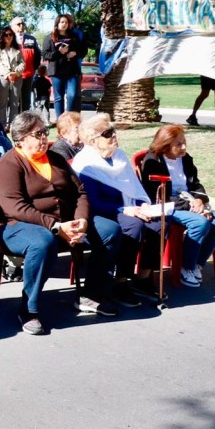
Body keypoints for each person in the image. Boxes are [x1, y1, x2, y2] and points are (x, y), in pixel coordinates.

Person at [0, 111, 120, 335]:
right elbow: (16, 208)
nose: (44, 138)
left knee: (110, 231)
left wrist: (82, 221)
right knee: (42, 241)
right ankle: (29, 309)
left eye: (45, 132)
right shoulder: (7, 166)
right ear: (21, 138)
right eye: (38, 133)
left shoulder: (55, 159)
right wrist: (57, 227)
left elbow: (80, 192)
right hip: (17, 227)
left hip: (66, 221)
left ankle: (91, 294)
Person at [71, 114, 157, 307]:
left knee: (157, 223)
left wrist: (141, 204)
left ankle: (142, 280)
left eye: (113, 130)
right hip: (102, 211)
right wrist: (125, 209)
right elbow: (92, 202)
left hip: (127, 207)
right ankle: (119, 282)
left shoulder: (119, 156)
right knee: (133, 226)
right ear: (93, 141)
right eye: (108, 133)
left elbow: (133, 187)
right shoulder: (85, 164)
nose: (114, 135)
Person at [140, 124, 215, 288]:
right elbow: (160, 195)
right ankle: (185, 267)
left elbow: (195, 184)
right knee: (199, 223)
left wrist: (200, 200)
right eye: (178, 144)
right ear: (165, 145)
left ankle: (196, 263)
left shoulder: (186, 159)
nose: (184, 147)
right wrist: (191, 207)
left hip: (189, 202)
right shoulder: (153, 161)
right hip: (167, 205)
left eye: (184, 142)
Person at [42, 13, 87, 117]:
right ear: (57, 23)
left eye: (66, 22)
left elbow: (84, 50)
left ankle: (69, 119)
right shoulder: (50, 37)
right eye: (62, 22)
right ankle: (60, 120)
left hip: (72, 71)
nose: (64, 24)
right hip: (56, 72)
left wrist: (76, 53)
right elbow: (45, 54)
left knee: (72, 95)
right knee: (59, 97)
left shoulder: (74, 37)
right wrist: (59, 52)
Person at [0, 26, 25, 126]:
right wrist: (8, 74)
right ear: (2, 36)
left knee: (14, 102)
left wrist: (16, 73)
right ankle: (2, 124)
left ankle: (13, 124)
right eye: (6, 35)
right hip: (3, 77)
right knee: (3, 102)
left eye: (10, 34)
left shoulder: (18, 48)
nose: (8, 37)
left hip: (17, 77)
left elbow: (23, 63)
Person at [11, 17, 42, 111]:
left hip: (28, 73)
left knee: (26, 98)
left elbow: (37, 54)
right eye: (18, 24)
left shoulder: (31, 39)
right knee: (14, 98)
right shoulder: (9, 38)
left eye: (22, 24)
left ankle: (25, 120)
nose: (21, 26)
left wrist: (34, 68)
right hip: (14, 74)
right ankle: (14, 119)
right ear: (12, 27)